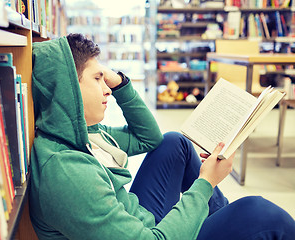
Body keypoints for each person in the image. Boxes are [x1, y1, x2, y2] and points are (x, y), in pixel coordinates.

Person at [29, 33, 295, 240]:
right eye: (98, 78)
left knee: (174, 143)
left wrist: (120, 83)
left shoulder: (84, 134)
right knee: (262, 214)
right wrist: (206, 182)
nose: (106, 89)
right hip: (151, 234)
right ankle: (228, 223)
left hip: (136, 219)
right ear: (68, 91)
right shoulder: (67, 173)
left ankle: (222, 219)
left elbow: (149, 138)